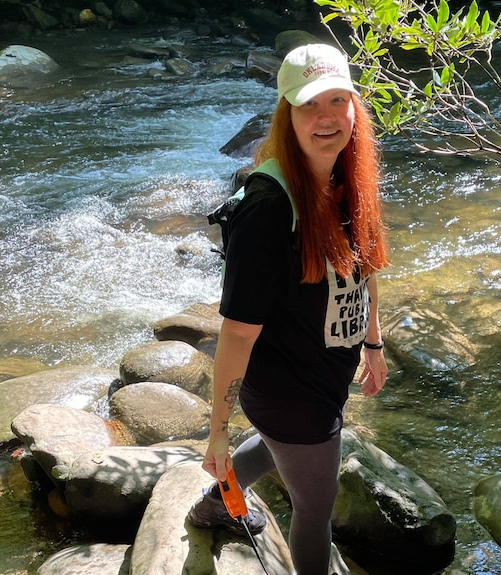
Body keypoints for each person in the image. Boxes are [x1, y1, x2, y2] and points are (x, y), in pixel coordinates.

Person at [187, 43, 391, 575]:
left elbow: (363, 268)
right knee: (316, 507)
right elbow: (235, 334)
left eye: (336, 101)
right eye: (308, 106)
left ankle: (213, 506)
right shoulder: (268, 206)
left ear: (354, 105)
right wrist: (216, 429)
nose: (325, 118)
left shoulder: (350, 176)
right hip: (285, 386)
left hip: (323, 374)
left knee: (280, 447)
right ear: (288, 114)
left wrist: (372, 342)